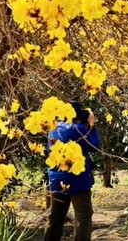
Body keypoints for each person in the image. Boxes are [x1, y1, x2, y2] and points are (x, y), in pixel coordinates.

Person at [44, 101, 100, 241]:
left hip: (57, 180)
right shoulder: (78, 129)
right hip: (78, 180)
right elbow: (94, 145)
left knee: (55, 217)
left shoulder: (53, 129)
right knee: (83, 216)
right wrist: (92, 126)